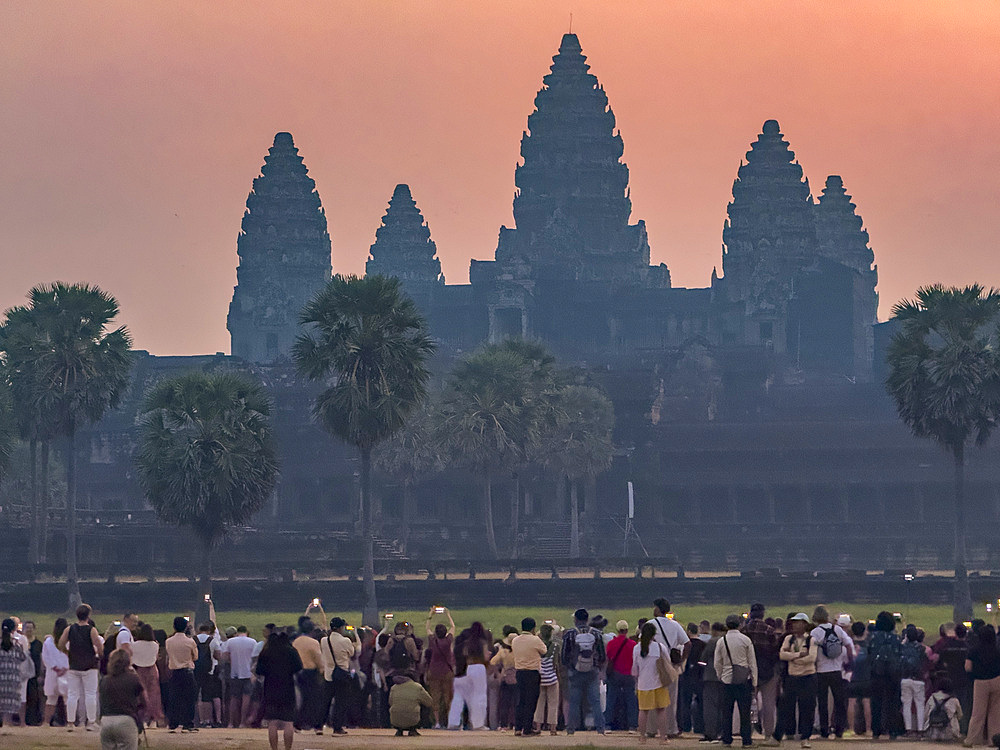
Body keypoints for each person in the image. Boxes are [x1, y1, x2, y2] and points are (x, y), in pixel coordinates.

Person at [776, 612, 819, 749]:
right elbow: (782, 655)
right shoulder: (789, 638)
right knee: (784, 707)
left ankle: (805, 736)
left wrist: (792, 657)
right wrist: (799, 655)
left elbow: (811, 658)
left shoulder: (811, 640)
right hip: (792, 677)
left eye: (798, 622)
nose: (794, 625)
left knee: (807, 708)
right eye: (793, 622)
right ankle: (778, 735)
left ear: (805, 624)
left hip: (807, 677)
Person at [809, 605, 852, 740]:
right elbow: (849, 644)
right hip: (837, 670)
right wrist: (848, 662)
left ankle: (824, 730)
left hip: (821, 670)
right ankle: (839, 729)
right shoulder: (837, 629)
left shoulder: (815, 632)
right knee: (839, 701)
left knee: (822, 703)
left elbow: (811, 651)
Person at [562, 607, 607, 735]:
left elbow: (564, 655)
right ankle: (600, 728)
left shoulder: (570, 634)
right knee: (595, 701)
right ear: (587, 619)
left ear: (575, 619)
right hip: (592, 671)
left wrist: (570, 666)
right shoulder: (597, 633)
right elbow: (602, 655)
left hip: (575, 671)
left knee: (574, 701)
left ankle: (571, 728)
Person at [58, 602, 103, 731]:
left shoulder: (69, 629)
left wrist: (68, 653)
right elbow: (99, 646)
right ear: (88, 615)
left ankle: (70, 722)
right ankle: (91, 722)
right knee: (90, 694)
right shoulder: (91, 630)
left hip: (74, 665)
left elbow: (61, 644)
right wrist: (98, 655)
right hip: (89, 665)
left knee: (72, 694)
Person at [716, 614, 757, 748]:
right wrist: (754, 681)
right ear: (740, 625)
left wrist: (720, 676)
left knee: (726, 711)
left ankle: (727, 739)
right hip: (743, 679)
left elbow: (718, 663)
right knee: (744, 712)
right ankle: (746, 740)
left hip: (727, 680)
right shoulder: (745, 640)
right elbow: (752, 663)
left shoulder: (722, 641)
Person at [651, 598, 691, 736]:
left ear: (658, 609)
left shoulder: (650, 624)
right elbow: (687, 643)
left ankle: (652, 729)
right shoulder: (675, 625)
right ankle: (670, 729)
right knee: (670, 700)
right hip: (671, 665)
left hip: (654, 664)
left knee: (652, 697)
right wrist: (682, 660)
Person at [257, 629, 302, 750]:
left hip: (270, 688)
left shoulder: (266, 652)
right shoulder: (291, 651)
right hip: (287, 687)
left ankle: (274, 748)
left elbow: (259, 671)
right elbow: (299, 667)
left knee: (272, 722)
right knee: (288, 722)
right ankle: (288, 748)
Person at [742, 603, 779, 741]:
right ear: (763, 614)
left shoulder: (744, 630)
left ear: (751, 614)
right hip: (767, 671)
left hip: (749, 671)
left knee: (749, 703)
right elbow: (775, 650)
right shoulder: (769, 630)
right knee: (769, 704)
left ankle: (748, 733)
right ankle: (768, 734)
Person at [632, 621, 671, 745]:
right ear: (654, 634)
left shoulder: (637, 648)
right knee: (661, 711)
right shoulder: (660, 647)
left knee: (643, 711)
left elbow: (634, 669)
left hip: (643, 684)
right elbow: (668, 663)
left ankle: (642, 737)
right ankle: (663, 738)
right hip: (659, 683)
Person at [868, 610, 904, 741]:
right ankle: (893, 730)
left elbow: (869, 654)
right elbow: (900, 654)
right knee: (893, 703)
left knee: (876, 702)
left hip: (877, 673)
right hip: (893, 674)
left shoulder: (873, 638)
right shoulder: (896, 638)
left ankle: (876, 730)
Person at [447, 621, 490, 730]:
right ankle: (478, 723)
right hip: (479, 667)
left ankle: (453, 722)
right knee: (479, 696)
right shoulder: (482, 642)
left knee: (459, 697)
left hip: (469, 668)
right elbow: (486, 657)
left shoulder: (467, 643)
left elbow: (464, 655)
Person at [99, 650, 144, 750]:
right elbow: (144, 700)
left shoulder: (104, 680)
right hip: (126, 720)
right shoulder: (133, 679)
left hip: (106, 720)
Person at [322, 617, 359, 736]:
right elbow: (353, 653)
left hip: (328, 674)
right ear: (340, 628)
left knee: (325, 701)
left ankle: (318, 725)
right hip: (342, 673)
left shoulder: (324, 640)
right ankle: (337, 728)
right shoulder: (345, 641)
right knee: (341, 702)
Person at [964, 623, 1000, 746]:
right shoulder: (997, 650)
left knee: (978, 713)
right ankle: (993, 740)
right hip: (997, 680)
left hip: (980, 682)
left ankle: (971, 740)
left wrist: (972, 677)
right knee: (995, 713)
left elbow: (967, 667)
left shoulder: (974, 650)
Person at [511, 617, 547, 736]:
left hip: (520, 672)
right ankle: (527, 728)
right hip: (532, 673)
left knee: (521, 700)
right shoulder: (535, 639)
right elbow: (544, 651)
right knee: (531, 701)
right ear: (533, 628)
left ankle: (517, 727)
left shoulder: (515, 640)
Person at [935, 621, 972, 734]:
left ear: (955, 633)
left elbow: (941, 660)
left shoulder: (948, 646)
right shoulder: (968, 648)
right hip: (964, 679)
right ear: (965, 634)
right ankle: (963, 728)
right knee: (963, 705)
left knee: (949, 704)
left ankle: (948, 728)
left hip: (950, 678)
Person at [165, 616, 198, 732]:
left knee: (174, 698)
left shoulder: (168, 641)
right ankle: (188, 723)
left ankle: (173, 723)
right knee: (189, 698)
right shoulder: (190, 641)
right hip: (187, 672)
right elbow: (195, 657)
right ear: (185, 628)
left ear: (174, 626)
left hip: (174, 672)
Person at [291, 617, 324, 734]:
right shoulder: (314, 643)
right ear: (312, 630)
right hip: (311, 672)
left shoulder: (296, 641)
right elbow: (319, 659)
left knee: (303, 699)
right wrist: (322, 670)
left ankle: (298, 724)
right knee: (315, 699)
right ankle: (316, 725)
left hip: (298, 672)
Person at [606, 619, 639, 732]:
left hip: (615, 673)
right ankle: (632, 725)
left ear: (617, 630)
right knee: (631, 700)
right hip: (629, 674)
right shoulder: (632, 644)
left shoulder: (611, 643)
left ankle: (608, 724)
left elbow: (608, 657)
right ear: (627, 630)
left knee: (611, 699)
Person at [222, 625, 256, 729]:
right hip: (248, 673)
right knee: (246, 697)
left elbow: (224, 656)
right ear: (247, 632)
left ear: (237, 633)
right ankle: (242, 722)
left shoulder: (230, 642)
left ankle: (231, 723)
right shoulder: (252, 642)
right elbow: (255, 658)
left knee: (234, 698)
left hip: (235, 672)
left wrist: (232, 661)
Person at [130, 623, 164, 728]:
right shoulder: (155, 645)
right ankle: (154, 719)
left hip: (140, 670)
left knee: (141, 695)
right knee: (154, 694)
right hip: (152, 669)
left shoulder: (135, 645)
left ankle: (143, 719)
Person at [424, 621, 455, 730]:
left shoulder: (433, 641)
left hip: (434, 671)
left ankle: (437, 722)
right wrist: (448, 615)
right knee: (448, 698)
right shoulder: (448, 642)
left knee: (435, 697)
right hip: (447, 672)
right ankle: (450, 721)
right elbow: (453, 626)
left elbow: (427, 628)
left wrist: (430, 615)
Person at [900, 624, 929, 736]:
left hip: (905, 677)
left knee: (906, 705)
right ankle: (920, 729)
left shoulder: (902, 647)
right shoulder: (921, 648)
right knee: (920, 705)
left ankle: (908, 729)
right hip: (918, 679)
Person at [701, 622, 726, 743]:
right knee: (723, 706)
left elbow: (704, 658)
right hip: (725, 677)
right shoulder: (727, 640)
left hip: (711, 676)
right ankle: (723, 732)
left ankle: (711, 733)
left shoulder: (713, 641)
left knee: (710, 706)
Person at [194, 621, 222, 728]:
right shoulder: (213, 640)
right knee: (207, 696)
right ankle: (208, 720)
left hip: (195, 671)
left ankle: (198, 720)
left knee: (196, 696)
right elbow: (218, 656)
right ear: (209, 631)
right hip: (209, 671)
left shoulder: (193, 639)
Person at [534, 622, 561, 735]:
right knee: (553, 703)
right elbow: (556, 664)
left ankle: (538, 727)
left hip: (540, 678)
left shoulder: (537, 646)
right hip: (552, 678)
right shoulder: (555, 646)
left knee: (540, 703)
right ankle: (553, 728)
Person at [42, 618, 70, 726]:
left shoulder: (48, 642)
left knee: (51, 699)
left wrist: (54, 667)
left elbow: (45, 657)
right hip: (66, 672)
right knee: (67, 699)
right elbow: (72, 657)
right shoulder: (69, 642)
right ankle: (70, 722)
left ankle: (46, 722)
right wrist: (65, 668)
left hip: (53, 672)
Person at [490, 625, 518, 730]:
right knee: (516, 703)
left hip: (506, 677)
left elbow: (492, 662)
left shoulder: (503, 652)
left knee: (505, 703)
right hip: (517, 678)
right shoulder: (518, 652)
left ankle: (504, 724)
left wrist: (498, 672)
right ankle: (515, 724)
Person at [0, 619, 27, 728]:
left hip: (1, 674)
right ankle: (8, 722)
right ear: (13, 628)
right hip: (13, 676)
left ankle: (3, 722)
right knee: (11, 700)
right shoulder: (17, 642)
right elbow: (23, 657)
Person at [847, 620, 872, 736]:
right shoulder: (868, 644)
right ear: (865, 631)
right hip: (866, 677)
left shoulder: (849, 644)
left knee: (851, 702)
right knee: (866, 702)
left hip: (852, 676)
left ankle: (851, 729)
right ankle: (868, 730)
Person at [924, 676, 963, 741]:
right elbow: (960, 715)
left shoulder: (932, 698)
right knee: (954, 716)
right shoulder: (954, 700)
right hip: (949, 733)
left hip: (931, 732)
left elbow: (925, 715)